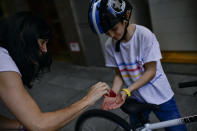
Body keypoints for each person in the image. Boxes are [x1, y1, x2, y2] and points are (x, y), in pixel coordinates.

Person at [0, 11, 110, 130]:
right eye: (42, 42)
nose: (45, 50)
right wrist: (87, 100)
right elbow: (39, 125)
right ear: (23, 38)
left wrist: (21, 126)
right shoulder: (3, 60)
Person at [88, 0, 187, 130]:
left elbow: (150, 72)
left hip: (160, 95)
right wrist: (113, 95)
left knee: (176, 129)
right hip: (136, 97)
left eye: (114, 29)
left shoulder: (144, 36)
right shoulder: (109, 45)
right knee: (137, 128)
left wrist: (127, 91)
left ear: (125, 18)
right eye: (107, 33)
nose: (111, 35)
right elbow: (119, 74)